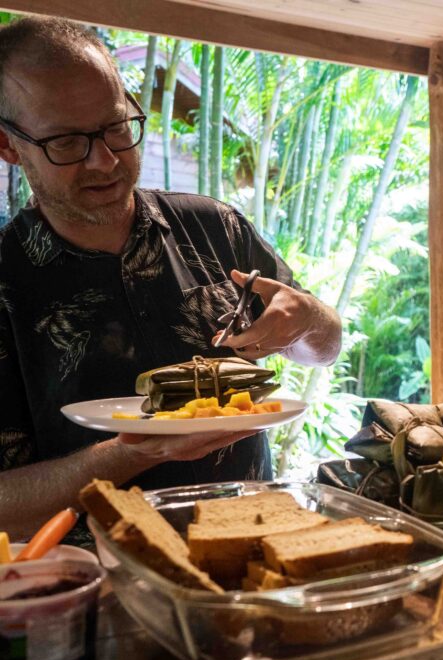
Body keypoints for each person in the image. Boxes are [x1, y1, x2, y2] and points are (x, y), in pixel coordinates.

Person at [0, 18, 342, 538]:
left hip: (252, 544)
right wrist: (134, 452)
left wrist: (312, 320)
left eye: (116, 127)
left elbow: (324, 347)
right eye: (67, 142)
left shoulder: (215, 226)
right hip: (94, 577)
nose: (105, 160)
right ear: (9, 145)